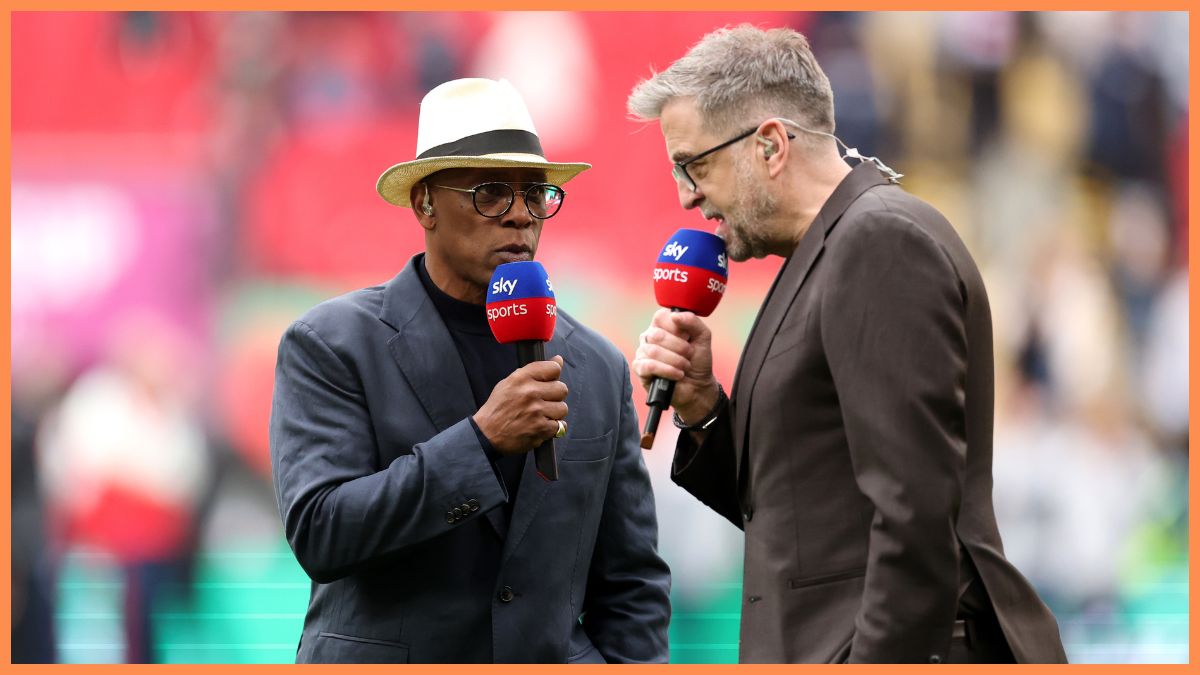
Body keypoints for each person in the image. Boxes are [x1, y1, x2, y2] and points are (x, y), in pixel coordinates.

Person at [626, 25, 1067, 664]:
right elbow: (795, 518)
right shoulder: (831, 248)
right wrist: (702, 407)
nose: (685, 193)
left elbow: (915, 518)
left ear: (771, 145)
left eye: (693, 164)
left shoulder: (877, 242)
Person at [270, 78, 670, 663]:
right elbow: (323, 531)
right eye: (489, 192)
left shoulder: (599, 367)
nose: (519, 216)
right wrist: (480, 444)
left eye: (536, 195)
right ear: (424, 203)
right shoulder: (331, 344)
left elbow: (631, 584)